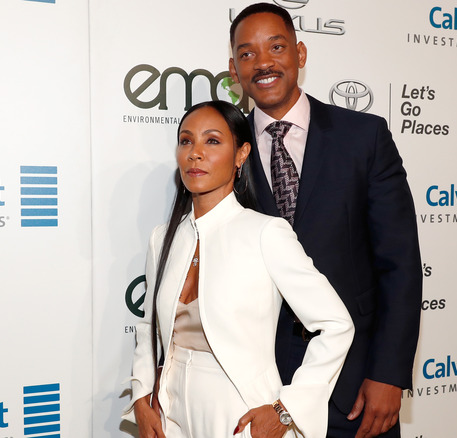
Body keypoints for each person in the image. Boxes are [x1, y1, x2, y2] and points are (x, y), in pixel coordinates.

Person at [228, 4, 423, 438]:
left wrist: (389, 374)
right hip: (258, 390)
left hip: (354, 387)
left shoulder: (364, 137)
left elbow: (400, 264)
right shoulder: (223, 150)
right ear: (233, 69)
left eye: (276, 47)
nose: (263, 63)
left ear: (300, 52)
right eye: (247, 53)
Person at [122, 100, 354, 438]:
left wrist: (287, 409)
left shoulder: (264, 233)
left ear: (241, 154)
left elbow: (336, 326)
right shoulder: (163, 238)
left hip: (239, 413)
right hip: (170, 411)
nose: (195, 153)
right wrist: (142, 396)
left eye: (212, 141)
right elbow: (147, 329)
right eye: (186, 141)